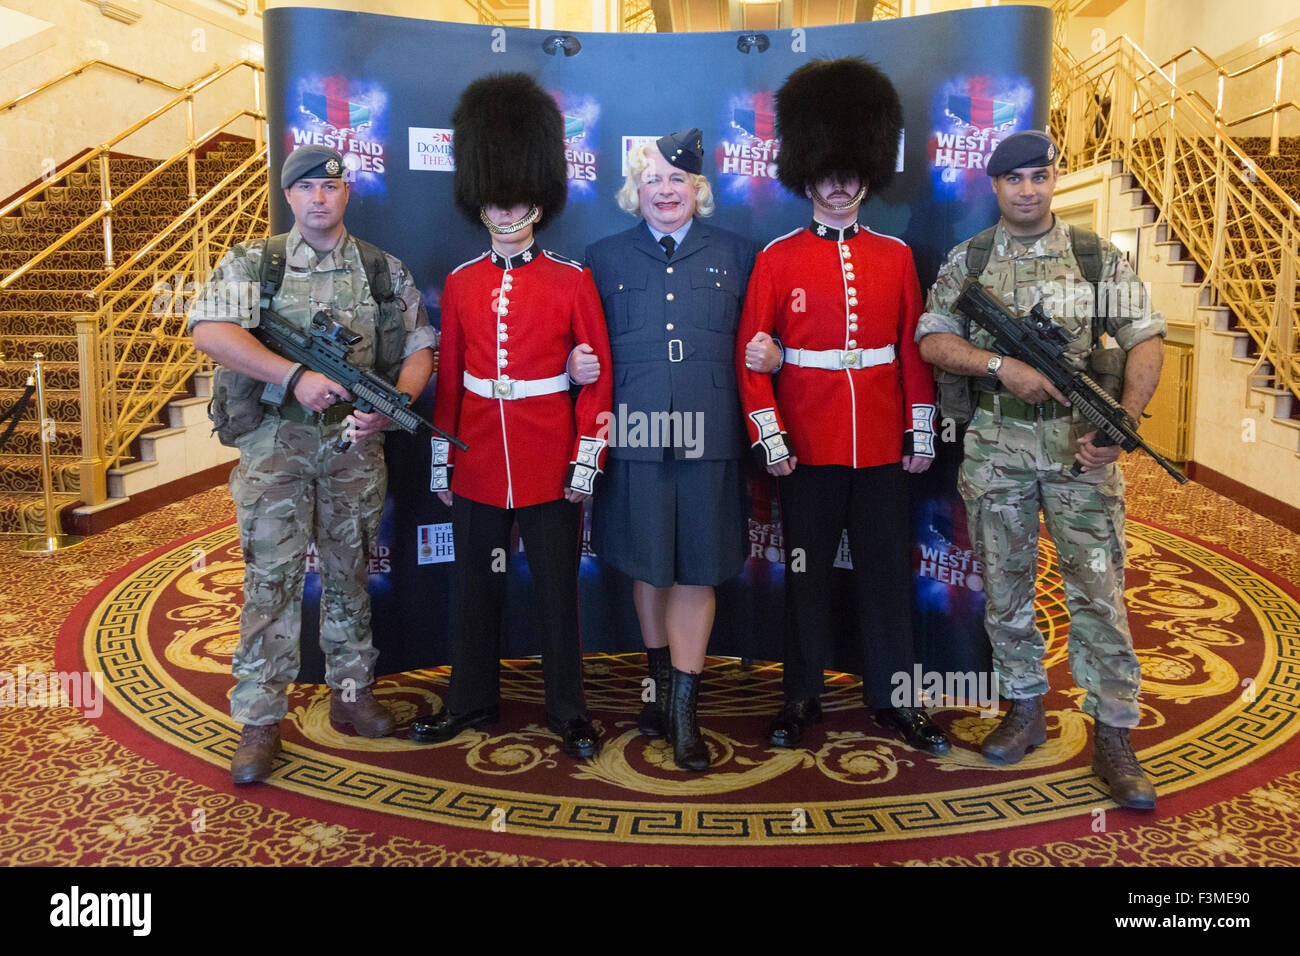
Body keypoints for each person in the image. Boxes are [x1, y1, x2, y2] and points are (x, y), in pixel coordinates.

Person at [916, 129, 1166, 810]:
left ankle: (1114, 734)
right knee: (1006, 589)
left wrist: (1123, 424)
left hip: (1081, 451)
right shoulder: (969, 260)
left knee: (1098, 593)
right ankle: (1024, 706)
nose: (1028, 190)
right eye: (1013, 179)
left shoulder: (1093, 256)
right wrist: (1002, 366)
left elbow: (1146, 336)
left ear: (1054, 179)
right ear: (994, 186)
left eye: (1039, 176)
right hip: (997, 449)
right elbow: (932, 336)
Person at [189, 144, 437, 785]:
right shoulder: (255, 263)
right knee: (269, 579)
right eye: (306, 189)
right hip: (275, 448)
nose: (320, 199)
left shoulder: (383, 271)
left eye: (331, 187)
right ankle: (260, 716)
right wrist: (294, 375)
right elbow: (211, 332)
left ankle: (352, 690)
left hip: (354, 447)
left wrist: (394, 406)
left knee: (349, 570)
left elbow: (419, 348)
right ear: (290, 196)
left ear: (346, 194)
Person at [736, 57, 949, 756]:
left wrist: (919, 430)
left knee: (888, 578)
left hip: (884, 446)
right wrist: (771, 437)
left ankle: (897, 700)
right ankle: (800, 695)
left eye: (849, 168)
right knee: (807, 577)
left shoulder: (894, 256)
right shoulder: (777, 257)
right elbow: (753, 357)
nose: (838, 182)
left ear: (866, 170)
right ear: (807, 172)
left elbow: (912, 352)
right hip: (807, 447)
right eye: (826, 169)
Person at [409, 73, 613, 760]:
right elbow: (450, 385)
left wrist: (587, 457)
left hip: (550, 454)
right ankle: (469, 699)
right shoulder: (464, 282)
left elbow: (597, 378)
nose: (504, 209)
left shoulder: (571, 279)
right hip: (476, 459)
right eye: (494, 198)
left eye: (517, 195)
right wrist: (443, 457)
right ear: (479, 199)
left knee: (559, 591)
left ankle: (568, 710)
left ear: (540, 195)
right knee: (474, 587)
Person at [580, 130, 778, 772]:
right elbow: (586, 341)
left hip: (710, 431)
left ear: (699, 189)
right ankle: (660, 690)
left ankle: (685, 711)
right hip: (635, 431)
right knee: (648, 564)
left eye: (677, 180)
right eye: (652, 180)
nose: (665, 190)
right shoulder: (603, 256)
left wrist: (775, 356)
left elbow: (763, 339)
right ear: (633, 191)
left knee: (697, 566)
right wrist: (574, 364)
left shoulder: (740, 253)